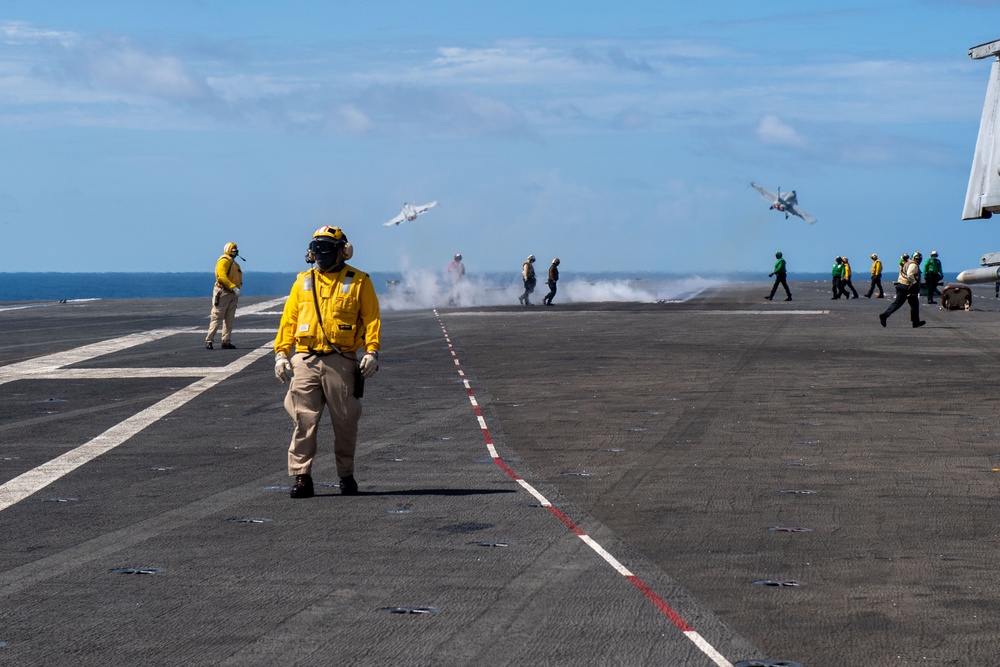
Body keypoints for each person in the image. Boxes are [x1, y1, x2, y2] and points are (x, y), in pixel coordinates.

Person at [273, 226, 381, 499]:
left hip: (341, 361)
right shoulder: (302, 281)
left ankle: (346, 475)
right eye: (317, 247)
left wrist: (372, 352)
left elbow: (371, 319)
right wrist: (281, 354)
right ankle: (301, 477)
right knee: (303, 421)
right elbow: (289, 320)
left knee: (345, 422)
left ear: (343, 250)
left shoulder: (359, 281)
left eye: (327, 247)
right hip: (305, 359)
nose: (321, 253)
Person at [205, 242, 243, 350]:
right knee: (217, 317)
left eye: (236, 251)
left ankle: (226, 341)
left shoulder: (233, 263)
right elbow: (221, 276)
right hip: (223, 292)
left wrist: (236, 289)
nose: (235, 252)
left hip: (232, 293)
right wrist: (233, 287)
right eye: (233, 250)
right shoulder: (224, 261)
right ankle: (209, 340)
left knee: (229, 318)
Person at [880, 251, 925, 329]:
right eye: (917, 259)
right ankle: (915, 322)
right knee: (914, 304)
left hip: (900, 284)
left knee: (899, 303)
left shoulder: (907, 263)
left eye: (919, 259)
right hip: (907, 286)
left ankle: (885, 315)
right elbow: (910, 275)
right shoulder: (913, 265)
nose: (918, 260)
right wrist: (914, 283)